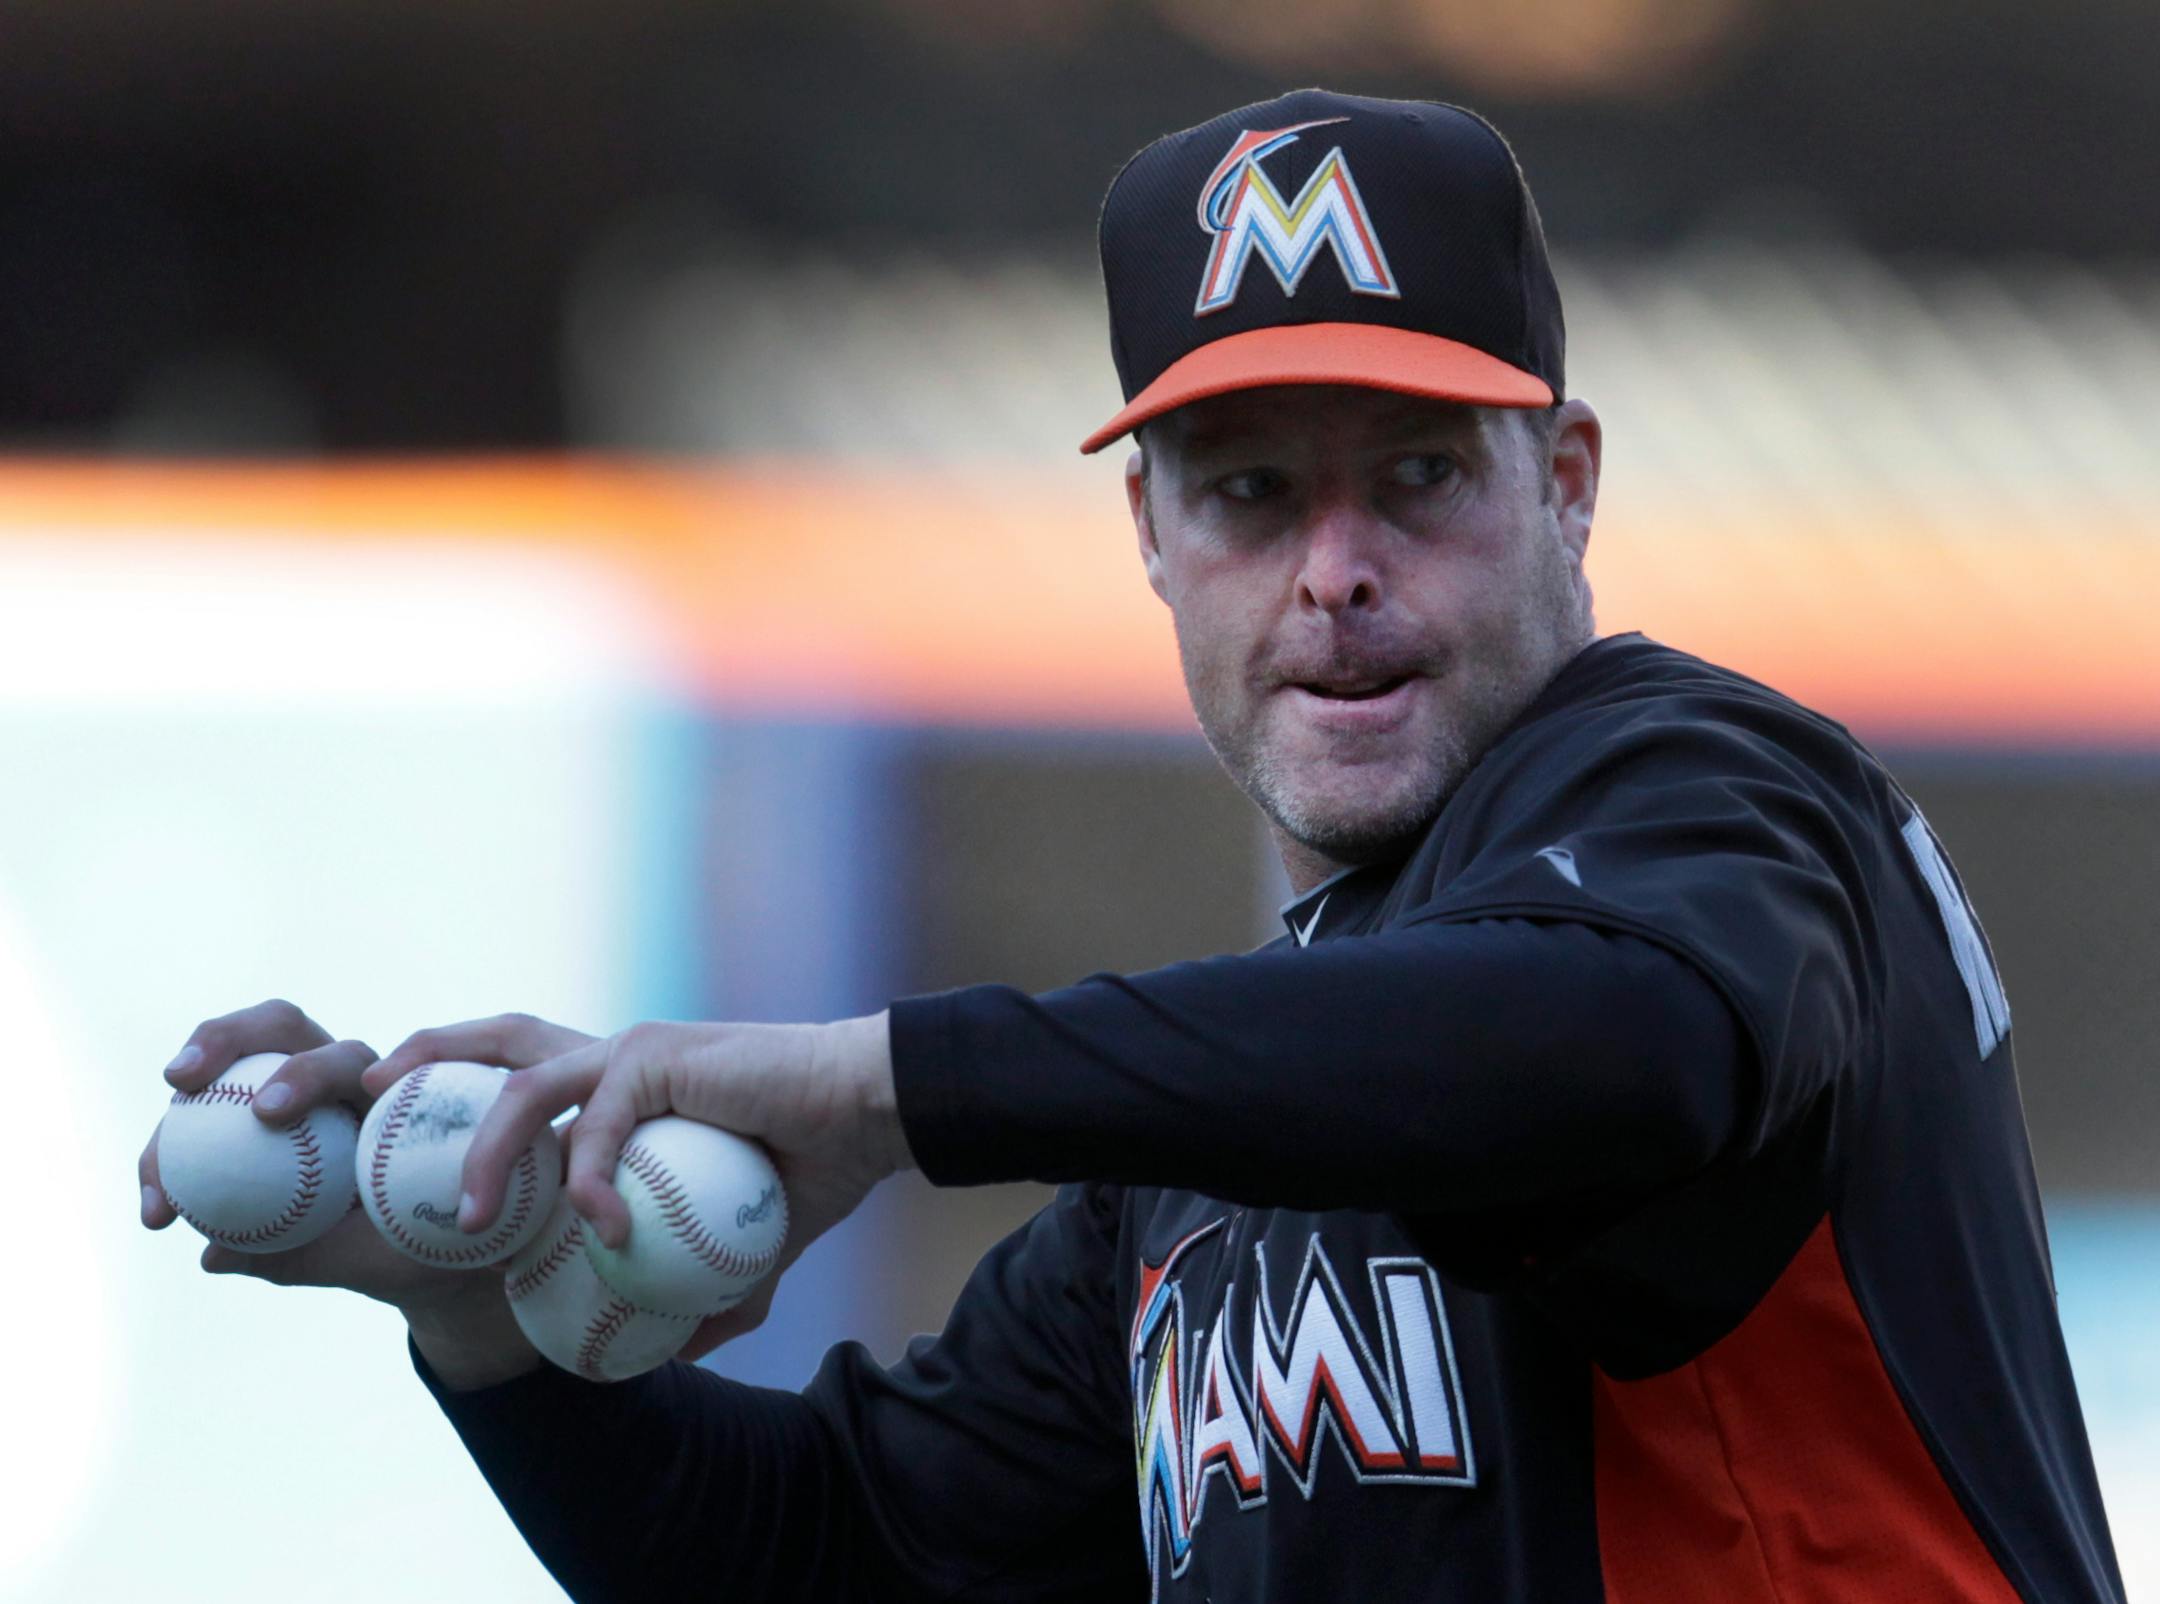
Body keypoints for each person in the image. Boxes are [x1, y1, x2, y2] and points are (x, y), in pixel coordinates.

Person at [138, 88, 2125, 1602]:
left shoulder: (1714, 789)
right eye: (1252, 492)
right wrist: (468, 1314)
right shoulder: (1193, 1163)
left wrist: (884, 1084)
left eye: (1417, 475)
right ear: (1154, 544)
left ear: (1568, 482)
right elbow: (838, 1555)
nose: (1334, 571)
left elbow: (1606, 1045)